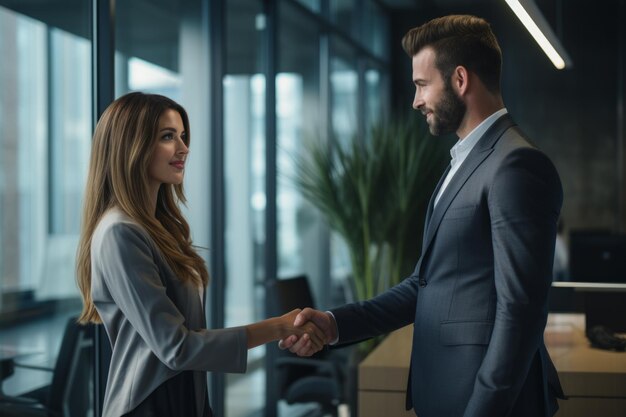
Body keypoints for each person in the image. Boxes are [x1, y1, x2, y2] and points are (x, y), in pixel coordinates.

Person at [281, 14, 566, 417]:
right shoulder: (461, 163)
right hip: (448, 392)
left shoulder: (516, 165)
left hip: (484, 402)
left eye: (421, 85)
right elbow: (425, 284)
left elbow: (521, 311)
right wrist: (335, 324)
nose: (416, 100)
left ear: (460, 80)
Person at [76, 92, 324, 417]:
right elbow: (177, 347)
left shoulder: (159, 228)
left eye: (182, 136)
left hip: (187, 397)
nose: (183, 148)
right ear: (131, 146)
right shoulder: (119, 233)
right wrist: (277, 327)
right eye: (168, 136)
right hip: (150, 405)